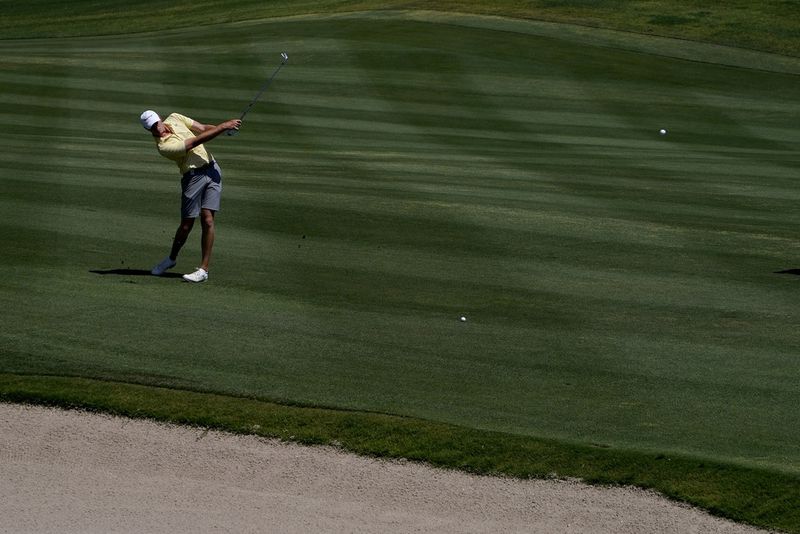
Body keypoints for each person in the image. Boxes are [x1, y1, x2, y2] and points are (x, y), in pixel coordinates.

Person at [140, 110, 241, 283]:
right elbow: (195, 141)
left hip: (213, 169)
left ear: (160, 119)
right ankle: (171, 258)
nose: (157, 129)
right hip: (193, 178)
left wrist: (222, 129)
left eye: (157, 124)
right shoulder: (164, 147)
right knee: (186, 225)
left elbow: (202, 128)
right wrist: (223, 126)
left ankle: (203, 270)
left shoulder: (175, 117)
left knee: (208, 220)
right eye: (152, 128)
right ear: (148, 130)